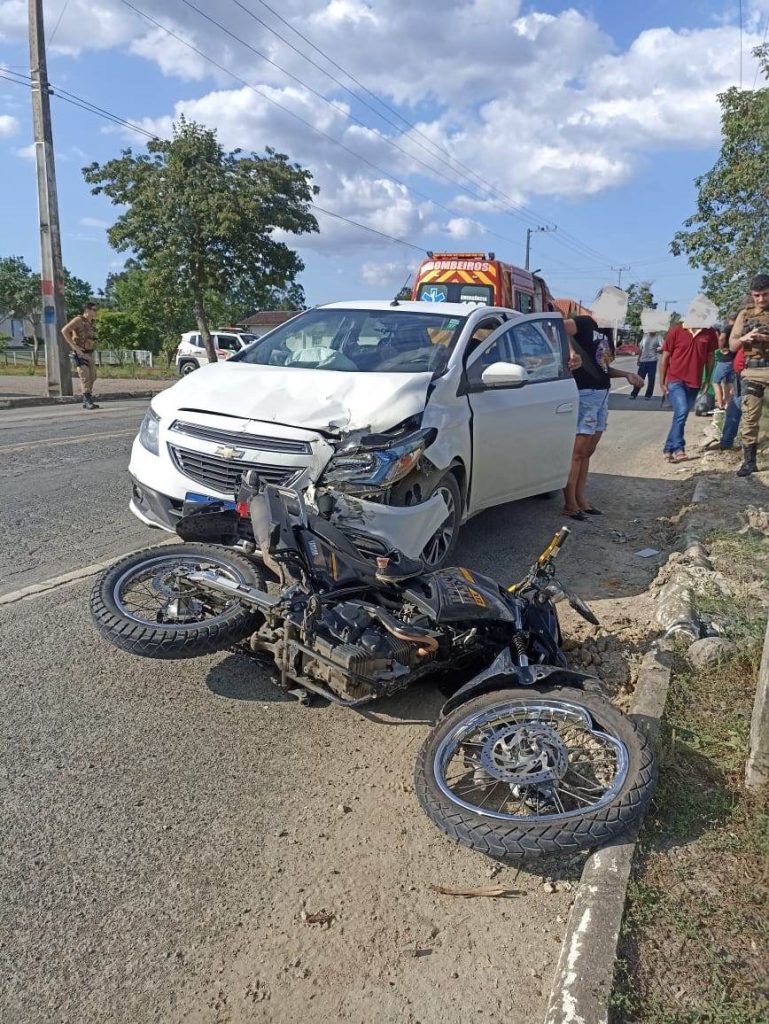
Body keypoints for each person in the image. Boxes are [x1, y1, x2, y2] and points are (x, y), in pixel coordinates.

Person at [561, 315, 643, 520]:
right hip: (584, 393)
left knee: (588, 452)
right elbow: (557, 327)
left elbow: (603, 367)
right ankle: (570, 504)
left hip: (602, 395)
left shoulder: (607, 331)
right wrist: (571, 352)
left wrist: (626, 374)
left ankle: (582, 500)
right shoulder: (584, 322)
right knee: (577, 453)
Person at [659, 319, 718, 462]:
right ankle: (679, 448)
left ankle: (668, 448)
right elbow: (665, 358)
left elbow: (710, 358)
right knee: (682, 410)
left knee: (681, 415)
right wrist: (662, 382)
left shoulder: (709, 333)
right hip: (675, 380)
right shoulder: (676, 331)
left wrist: (708, 379)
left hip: (695, 382)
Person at [728, 274, 769, 476]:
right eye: (757, 295)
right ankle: (749, 462)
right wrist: (746, 337)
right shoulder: (745, 315)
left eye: (765, 295)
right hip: (753, 371)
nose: (761, 299)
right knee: (750, 417)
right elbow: (732, 345)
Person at [62, 302, 100, 409]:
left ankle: (87, 398)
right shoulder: (78, 320)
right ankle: (87, 400)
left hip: (90, 353)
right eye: (93, 309)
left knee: (93, 376)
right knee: (85, 376)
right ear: (87, 310)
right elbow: (64, 330)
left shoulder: (92, 322)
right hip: (80, 353)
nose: (95, 312)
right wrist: (74, 347)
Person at [712, 319, 736, 411]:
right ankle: (728, 404)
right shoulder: (738, 329)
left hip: (724, 359)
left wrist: (721, 348)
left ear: (730, 319)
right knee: (729, 382)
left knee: (715, 382)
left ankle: (720, 405)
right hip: (733, 358)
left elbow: (721, 338)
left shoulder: (728, 328)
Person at [630, 331, 662, 399]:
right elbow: (641, 349)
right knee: (639, 378)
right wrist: (638, 359)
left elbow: (663, 348)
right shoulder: (645, 337)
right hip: (643, 361)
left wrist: (659, 349)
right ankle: (634, 394)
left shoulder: (658, 337)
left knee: (651, 379)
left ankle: (648, 395)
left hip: (652, 361)